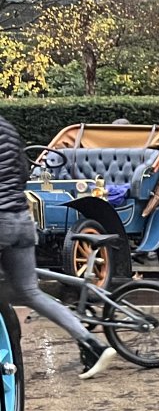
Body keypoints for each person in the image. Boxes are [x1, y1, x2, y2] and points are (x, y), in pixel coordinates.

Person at [0, 114, 117, 379]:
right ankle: (92, 345)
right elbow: (21, 171)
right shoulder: (7, 127)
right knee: (31, 292)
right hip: (21, 218)